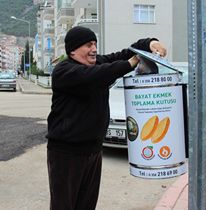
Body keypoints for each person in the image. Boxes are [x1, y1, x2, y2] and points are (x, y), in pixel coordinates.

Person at [46, 26, 167, 210]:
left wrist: (150, 43)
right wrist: (130, 63)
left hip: (93, 150)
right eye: (88, 45)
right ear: (73, 50)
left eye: (95, 44)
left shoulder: (97, 63)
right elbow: (96, 76)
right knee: (64, 205)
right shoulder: (64, 71)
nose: (94, 49)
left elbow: (126, 52)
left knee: (87, 204)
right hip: (66, 153)